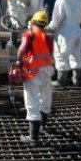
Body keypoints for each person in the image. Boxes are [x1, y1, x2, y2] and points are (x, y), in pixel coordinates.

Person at [15, 10, 55, 144]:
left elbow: (21, 51)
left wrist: (18, 61)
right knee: (45, 100)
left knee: (32, 103)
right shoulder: (48, 37)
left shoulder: (29, 34)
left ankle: (33, 138)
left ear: (32, 23)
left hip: (33, 73)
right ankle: (43, 126)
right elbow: (49, 52)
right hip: (47, 72)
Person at [47, 0, 81, 87]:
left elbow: (56, 18)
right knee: (76, 54)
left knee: (61, 55)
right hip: (77, 30)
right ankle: (77, 80)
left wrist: (49, 28)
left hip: (65, 32)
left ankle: (61, 81)